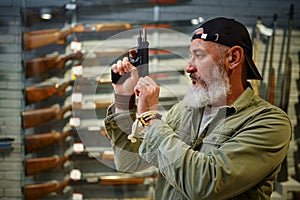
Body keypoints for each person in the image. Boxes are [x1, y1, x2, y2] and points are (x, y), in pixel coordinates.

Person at [104, 17, 291, 199]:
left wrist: (150, 119)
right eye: (190, 56)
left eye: (199, 56)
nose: (188, 67)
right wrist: (123, 100)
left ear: (233, 58)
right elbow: (129, 162)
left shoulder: (269, 123)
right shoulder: (184, 111)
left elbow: (204, 185)